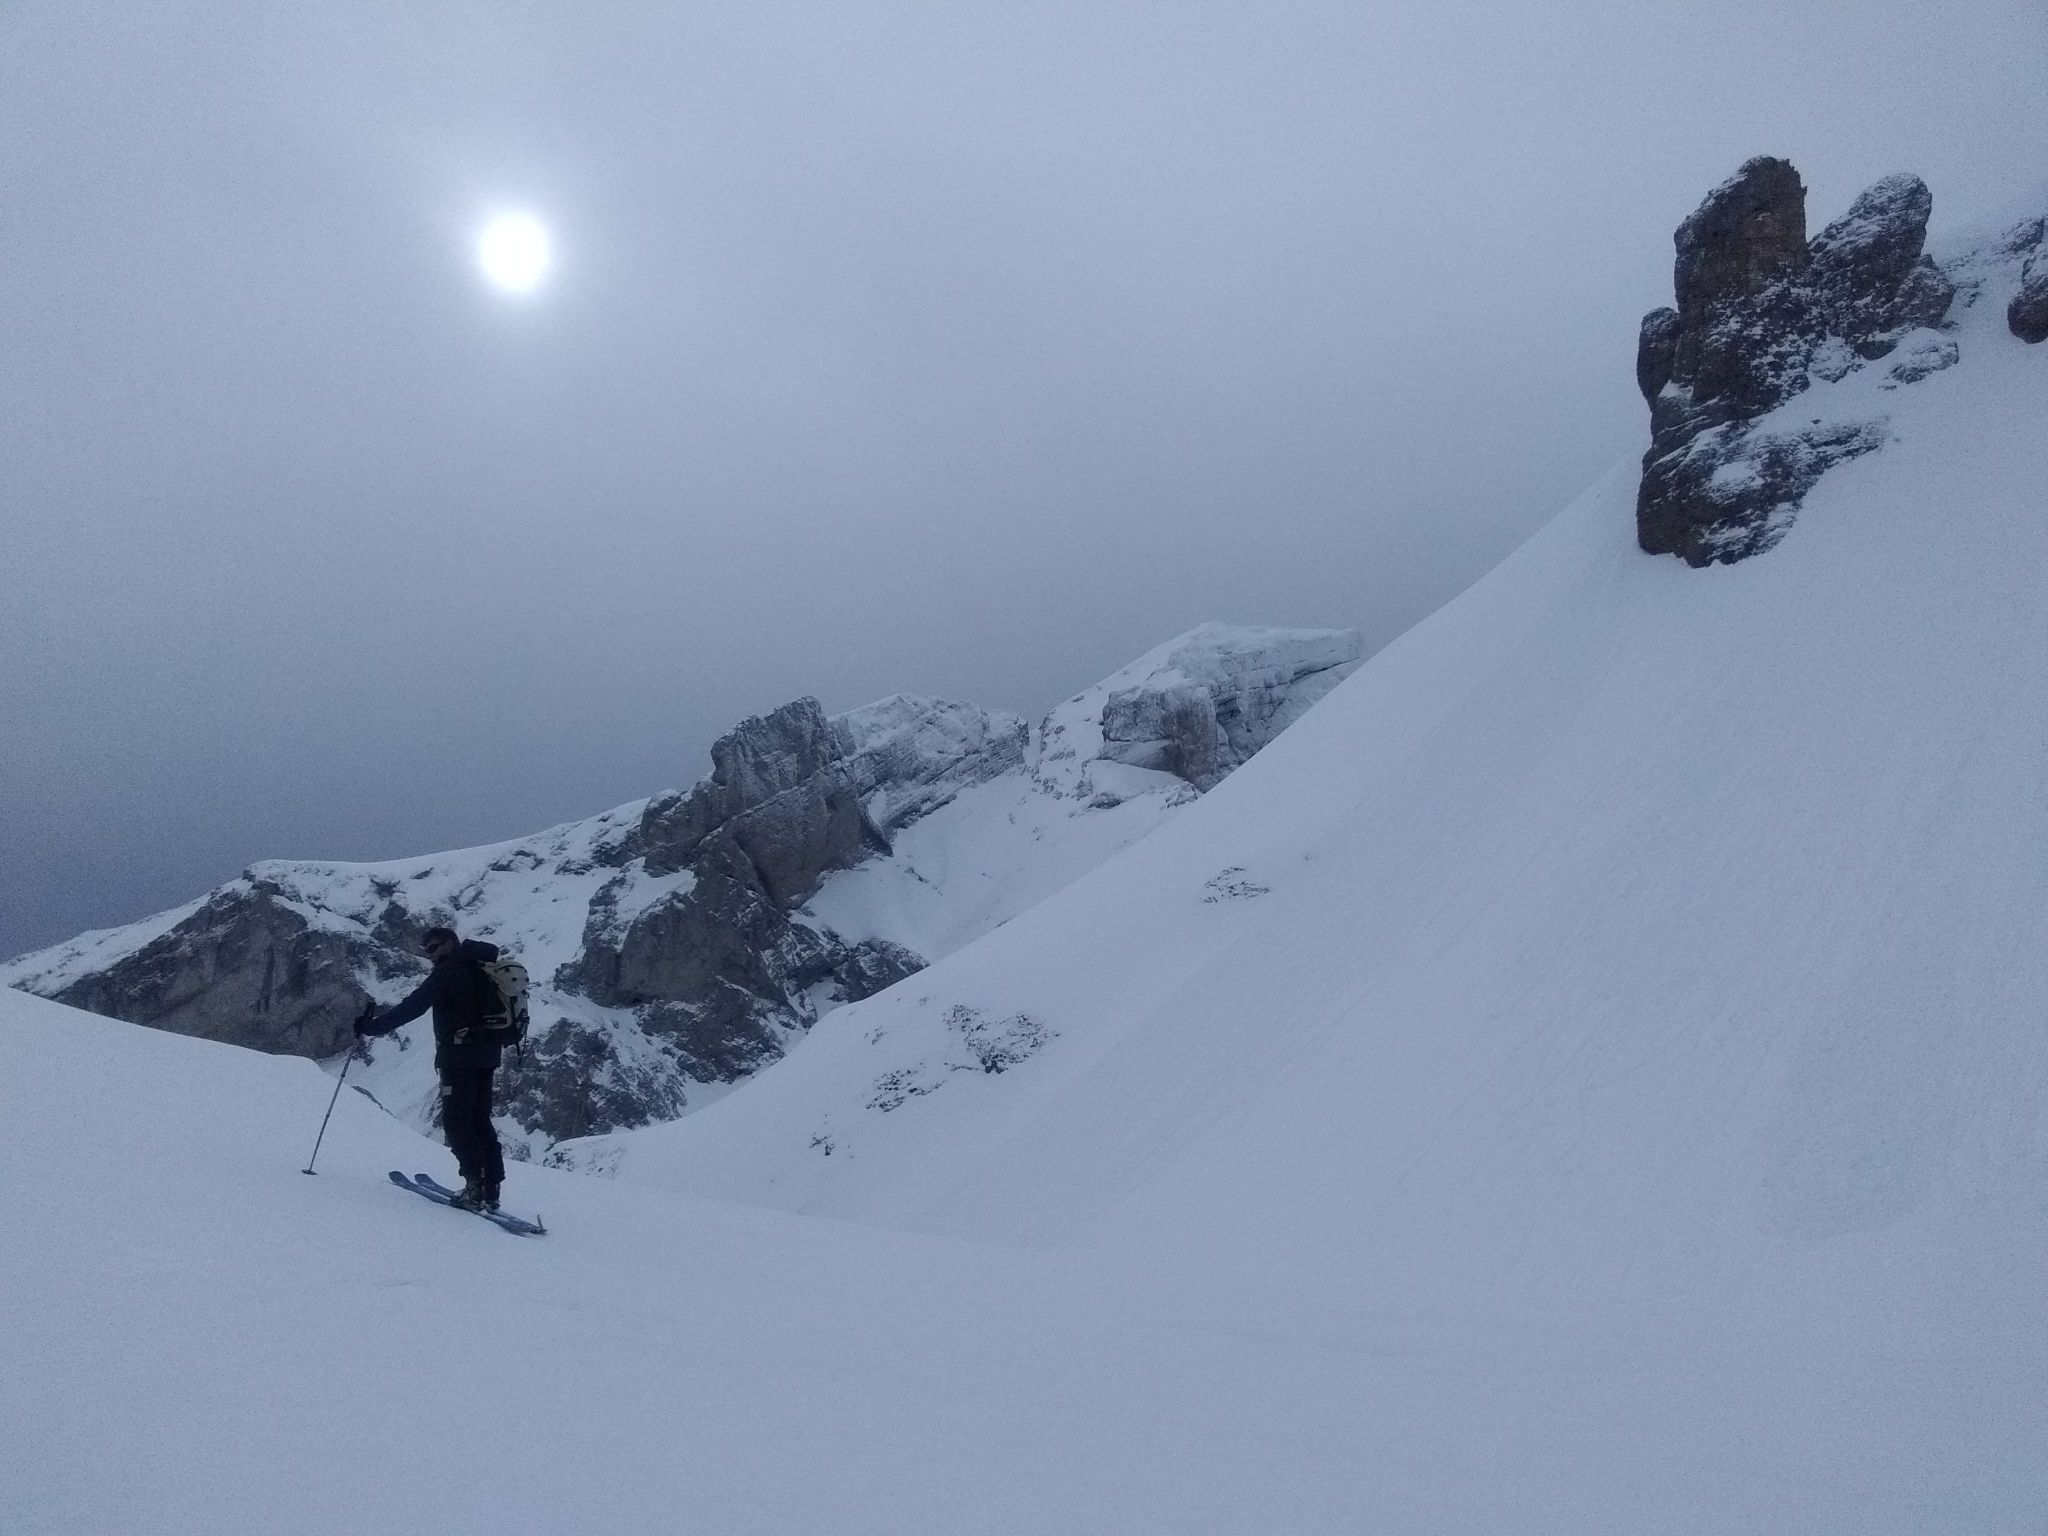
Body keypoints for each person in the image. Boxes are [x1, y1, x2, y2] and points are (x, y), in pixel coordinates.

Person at [356, 925, 509, 1211]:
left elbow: (414, 1006)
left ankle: (474, 1186)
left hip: (459, 1058)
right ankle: (491, 1188)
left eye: (434, 948)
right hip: (488, 1054)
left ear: (450, 943)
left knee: (457, 1121)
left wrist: (372, 1027)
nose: (430, 955)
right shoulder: (483, 967)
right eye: (427, 950)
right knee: (479, 1119)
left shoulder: (448, 972)